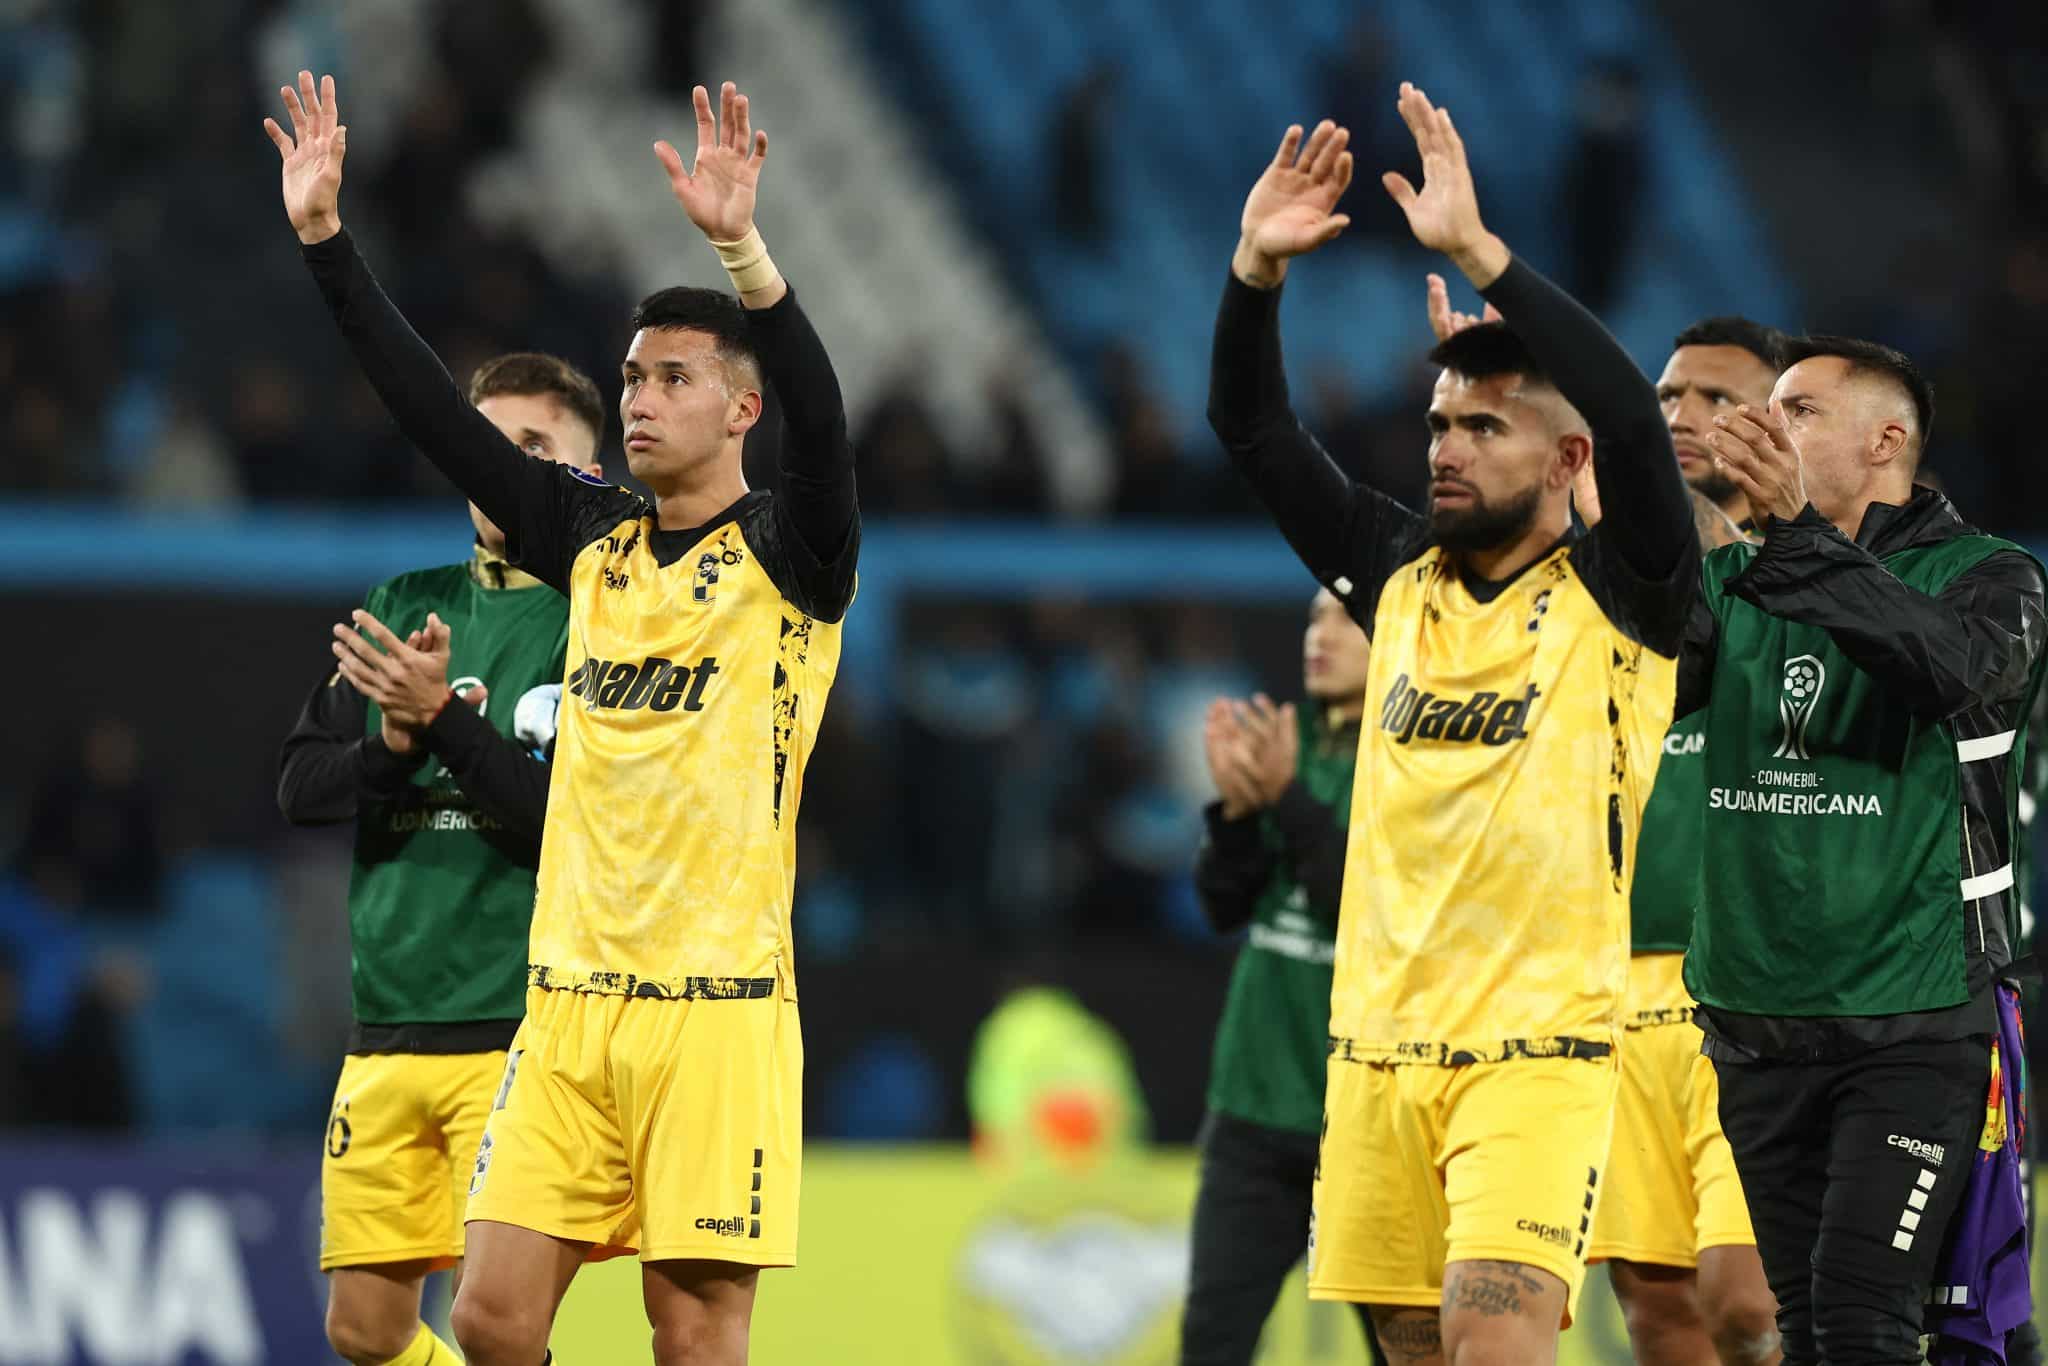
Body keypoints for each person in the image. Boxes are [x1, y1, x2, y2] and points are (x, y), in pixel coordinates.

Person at [266, 71, 857, 1365]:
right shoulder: (591, 539)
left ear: (741, 408)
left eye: (674, 378)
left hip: (716, 1003)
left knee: (691, 1335)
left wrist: (745, 256)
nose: (639, 397)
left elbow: (825, 426)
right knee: (488, 1317)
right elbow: (437, 419)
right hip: (569, 1002)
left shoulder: (791, 554)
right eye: (632, 376)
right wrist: (326, 244)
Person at [1209, 84, 1695, 1364]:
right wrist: (1254, 272)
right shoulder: (1396, 574)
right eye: (1437, 425)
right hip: (1374, 1052)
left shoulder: (1627, 593)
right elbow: (1250, 429)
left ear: (1568, 462)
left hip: (1534, 1052)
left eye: (1483, 427)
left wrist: (1483, 256)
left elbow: (1630, 417)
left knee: (1495, 1341)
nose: (1446, 447)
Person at [1678, 336, 2047, 1364]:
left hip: (1914, 1019)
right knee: (1808, 1327)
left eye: (1797, 410)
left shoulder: (1992, 577)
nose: (1769, 426)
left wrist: (1795, 535)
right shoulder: (1729, 580)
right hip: (1755, 1021)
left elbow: (1948, 673)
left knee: (1867, 1322)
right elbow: (1622, 683)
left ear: (1885, 441)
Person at [278, 351, 601, 1366]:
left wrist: (443, 725)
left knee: (493, 1324)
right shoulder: (404, 599)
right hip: (387, 1021)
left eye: (533, 446)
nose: (500, 465)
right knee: (364, 1332)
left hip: (518, 1029)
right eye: (485, 441)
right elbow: (302, 789)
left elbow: (565, 824)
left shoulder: (601, 621)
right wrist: (391, 746)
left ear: (586, 473)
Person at [1181, 588, 1385, 1366]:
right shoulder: (1282, 741)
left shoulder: (1413, 758)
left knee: (1407, 1351)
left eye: (1343, 619)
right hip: (1254, 1110)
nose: (1318, 636)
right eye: (1312, 618)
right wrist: (1236, 814)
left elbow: (1366, 908)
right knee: (1211, 1344)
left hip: (1368, 1124)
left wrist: (1285, 800)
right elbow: (1221, 905)